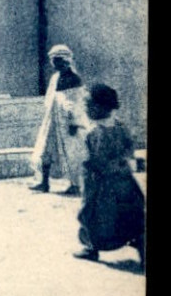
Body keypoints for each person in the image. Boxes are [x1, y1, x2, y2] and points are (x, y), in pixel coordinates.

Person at [75, 83, 145, 266]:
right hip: (123, 180)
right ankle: (139, 242)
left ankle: (92, 248)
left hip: (100, 184)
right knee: (128, 212)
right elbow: (130, 146)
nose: (85, 109)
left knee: (92, 214)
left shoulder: (95, 132)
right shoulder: (120, 126)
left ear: (99, 107)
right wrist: (123, 162)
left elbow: (95, 160)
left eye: (87, 105)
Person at [29, 44, 89, 196]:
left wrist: (74, 122)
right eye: (53, 60)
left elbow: (78, 103)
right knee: (45, 149)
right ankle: (44, 183)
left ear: (66, 61)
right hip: (53, 120)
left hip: (68, 122)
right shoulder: (56, 78)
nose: (54, 64)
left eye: (57, 60)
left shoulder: (74, 79)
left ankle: (75, 185)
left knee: (71, 152)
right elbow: (51, 99)